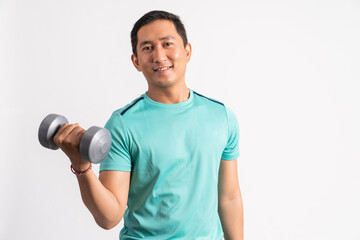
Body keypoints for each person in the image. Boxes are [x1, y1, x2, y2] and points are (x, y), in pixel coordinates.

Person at [53, 10, 243, 240]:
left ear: (187, 51)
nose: (159, 56)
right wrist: (82, 166)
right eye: (148, 48)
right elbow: (109, 217)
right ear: (136, 61)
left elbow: (229, 197)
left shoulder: (220, 116)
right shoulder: (122, 124)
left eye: (167, 44)